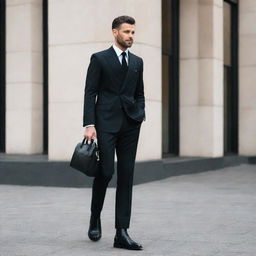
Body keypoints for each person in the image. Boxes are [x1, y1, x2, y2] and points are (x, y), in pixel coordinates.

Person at [83, 15, 145, 250]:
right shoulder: (99, 59)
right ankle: (94, 216)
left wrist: (140, 113)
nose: (131, 36)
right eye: (127, 32)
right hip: (105, 124)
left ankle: (122, 232)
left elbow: (139, 92)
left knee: (127, 177)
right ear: (115, 32)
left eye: (133, 32)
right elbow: (90, 92)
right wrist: (90, 124)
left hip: (130, 125)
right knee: (106, 172)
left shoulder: (138, 62)